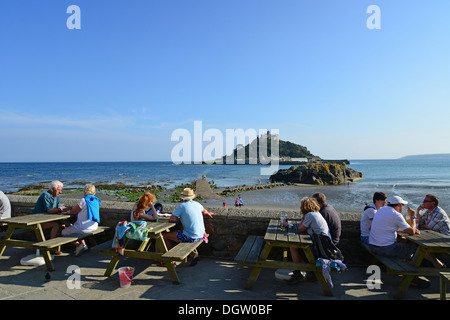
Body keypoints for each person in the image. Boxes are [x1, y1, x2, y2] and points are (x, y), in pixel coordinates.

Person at [163, 188, 214, 266]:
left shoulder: (182, 206)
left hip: (191, 237)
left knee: (164, 236)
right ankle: (192, 254)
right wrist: (208, 213)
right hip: (202, 235)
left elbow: (172, 219)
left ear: (183, 197)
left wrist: (178, 218)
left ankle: (171, 261)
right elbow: (205, 211)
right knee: (183, 234)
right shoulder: (197, 204)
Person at [288, 197, 331, 283]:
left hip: (320, 247)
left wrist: (303, 216)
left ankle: (298, 274)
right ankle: (309, 272)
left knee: (293, 247)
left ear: (304, 207)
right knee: (299, 249)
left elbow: (300, 229)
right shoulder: (317, 213)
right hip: (325, 245)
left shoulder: (309, 215)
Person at [368, 195, 418, 261]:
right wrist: (412, 216)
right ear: (398, 205)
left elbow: (382, 227)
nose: (403, 207)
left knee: (403, 242)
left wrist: (404, 230)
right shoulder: (396, 215)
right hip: (385, 249)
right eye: (403, 205)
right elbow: (412, 232)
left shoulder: (380, 210)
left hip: (372, 247)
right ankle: (413, 268)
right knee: (415, 249)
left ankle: (405, 264)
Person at [61, 184, 101, 256]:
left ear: (85, 191)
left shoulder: (83, 200)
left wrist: (66, 211)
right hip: (94, 226)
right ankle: (84, 245)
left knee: (63, 232)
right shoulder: (96, 201)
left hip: (84, 227)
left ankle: (78, 246)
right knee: (75, 228)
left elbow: (73, 211)